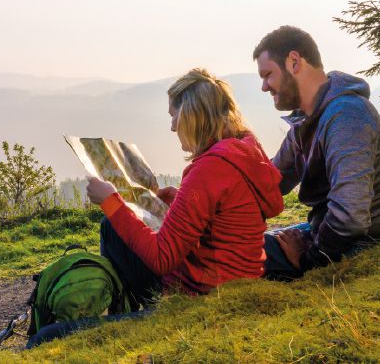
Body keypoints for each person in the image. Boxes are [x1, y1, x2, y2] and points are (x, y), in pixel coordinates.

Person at [28, 69, 284, 348]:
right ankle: (122, 308)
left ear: (191, 115)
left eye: (174, 116)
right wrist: (177, 201)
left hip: (203, 299)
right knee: (112, 228)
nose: (173, 127)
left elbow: (162, 258)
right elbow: (225, 215)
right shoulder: (244, 150)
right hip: (231, 281)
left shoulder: (209, 169)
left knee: (45, 339)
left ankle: (124, 321)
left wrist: (111, 201)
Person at [253, 26, 380, 281]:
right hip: (332, 237)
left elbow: (350, 217)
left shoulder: (347, 116)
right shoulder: (307, 120)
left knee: (242, 258)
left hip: (368, 247)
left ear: (294, 61)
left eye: (268, 74)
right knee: (247, 246)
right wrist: (195, 206)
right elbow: (271, 182)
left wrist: (309, 260)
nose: (264, 87)